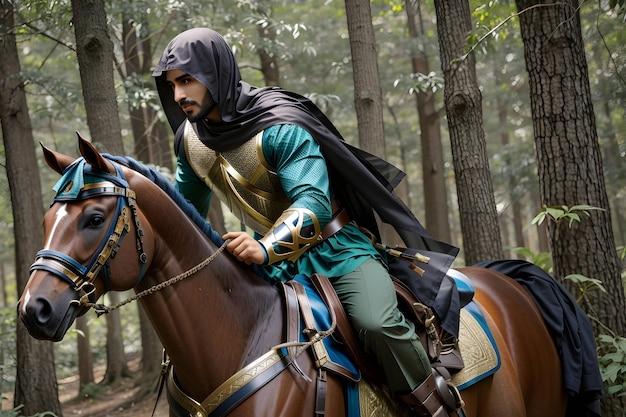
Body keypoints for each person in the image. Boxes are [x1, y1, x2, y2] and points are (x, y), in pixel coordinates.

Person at [153, 27, 463, 417]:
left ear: (215, 74)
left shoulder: (278, 124)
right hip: (264, 265)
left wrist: (265, 247)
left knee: (379, 324)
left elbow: (314, 202)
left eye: (186, 81)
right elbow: (187, 215)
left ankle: (438, 408)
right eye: (171, 84)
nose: (178, 95)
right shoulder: (189, 141)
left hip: (337, 251)